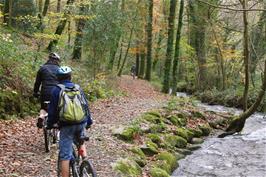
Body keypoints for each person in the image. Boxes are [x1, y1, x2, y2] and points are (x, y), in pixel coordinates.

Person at [46, 66, 93, 177]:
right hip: (81, 122)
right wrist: (89, 121)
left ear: (58, 78)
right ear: (70, 76)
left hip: (66, 125)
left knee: (65, 156)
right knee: (80, 140)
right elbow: (85, 106)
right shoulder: (78, 88)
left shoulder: (57, 90)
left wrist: (49, 124)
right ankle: (85, 163)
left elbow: (52, 112)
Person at [33, 52, 61, 128]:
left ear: (49, 59)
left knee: (43, 108)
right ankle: (57, 122)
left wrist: (35, 92)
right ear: (57, 60)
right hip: (56, 92)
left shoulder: (42, 68)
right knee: (58, 107)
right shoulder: (60, 69)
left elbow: (37, 83)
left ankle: (41, 116)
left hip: (45, 92)